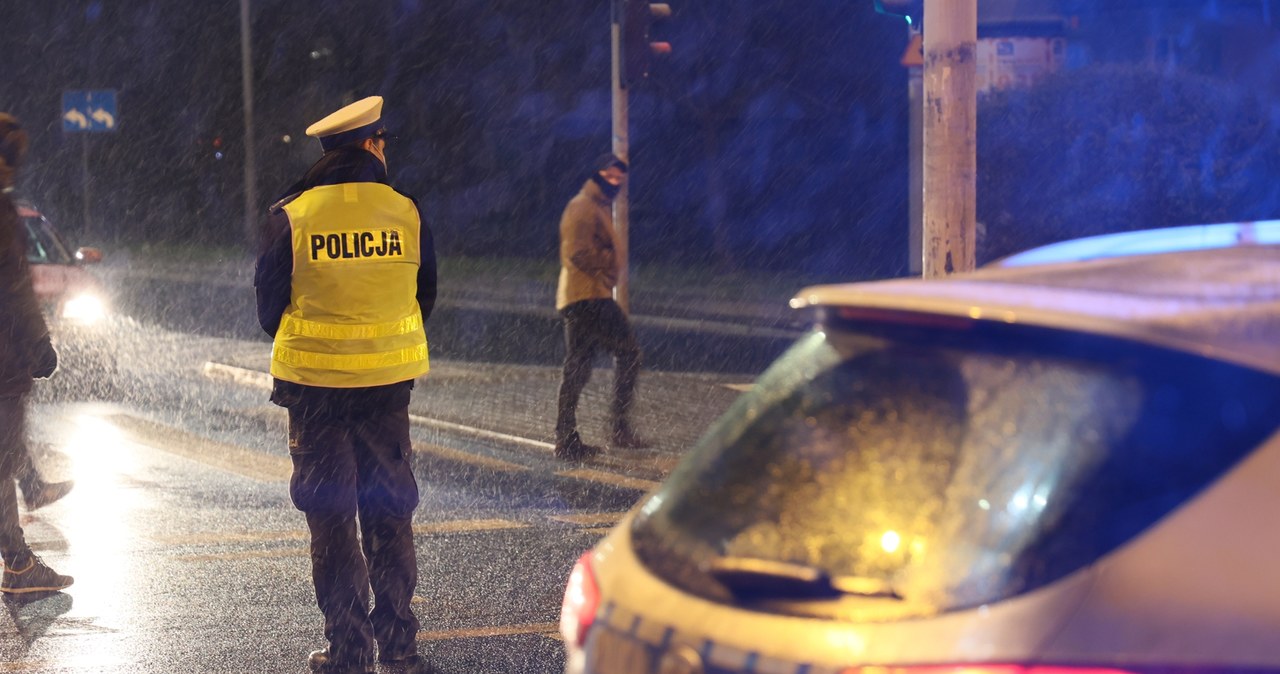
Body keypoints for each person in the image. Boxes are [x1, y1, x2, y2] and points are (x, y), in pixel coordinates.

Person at [254, 96, 435, 674]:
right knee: (389, 514)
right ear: (373, 144)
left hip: (317, 397)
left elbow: (268, 308)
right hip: (386, 393)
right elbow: (423, 296)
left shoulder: (293, 214)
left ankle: (350, 651)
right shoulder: (407, 212)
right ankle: (400, 644)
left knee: (333, 522)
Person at [0, 113, 74, 595]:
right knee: (1, 456)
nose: (14, 168)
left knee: (4, 448)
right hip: (3, 359)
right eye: (12, 157)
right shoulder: (2, 212)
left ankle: (31, 492)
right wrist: (39, 343)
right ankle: (19, 564)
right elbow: (14, 288)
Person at [553, 153, 650, 461]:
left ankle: (567, 438)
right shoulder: (582, 207)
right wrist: (610, 262)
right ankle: (616, 429)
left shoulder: (596, 207)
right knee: (628, 353)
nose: (614, 183)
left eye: (619, 179)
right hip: (588, 297)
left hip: (585, 296)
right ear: (595, 175)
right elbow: (577, 253)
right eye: (609, 177)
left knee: (578, 367)